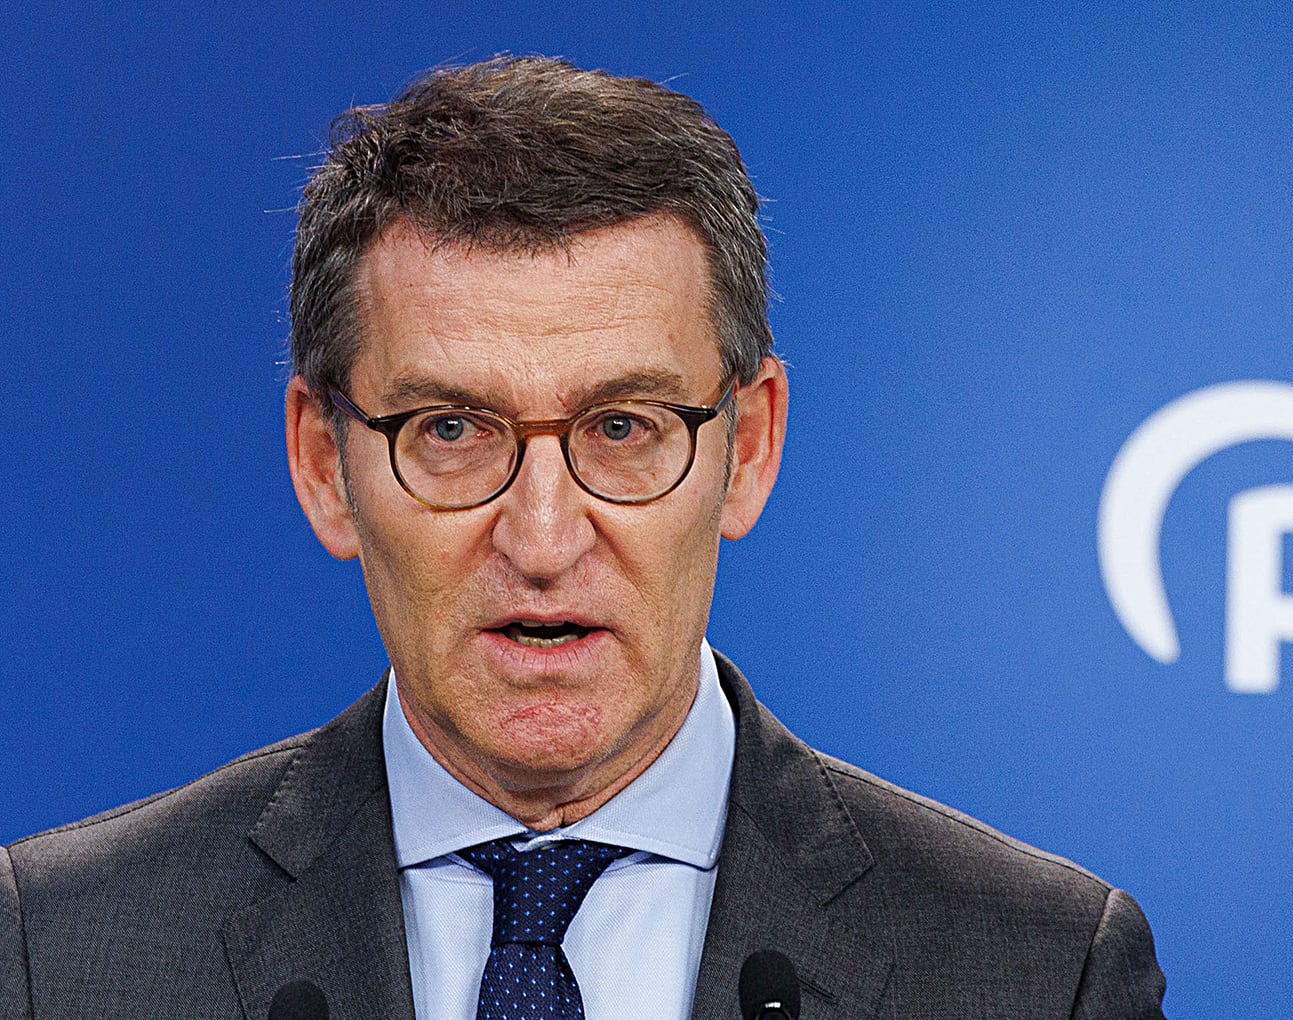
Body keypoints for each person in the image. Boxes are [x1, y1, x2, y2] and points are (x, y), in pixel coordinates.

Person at [0, 56, 1165, 1020]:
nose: (545, 538)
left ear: (750, 446)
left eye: (622, 426)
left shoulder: (1037, 971)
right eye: (451, 429)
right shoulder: (59, 953)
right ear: (323, 463)